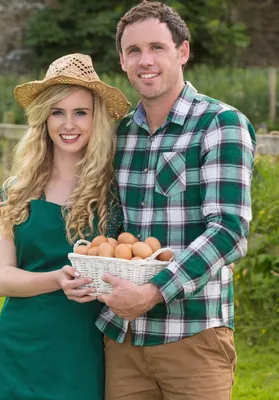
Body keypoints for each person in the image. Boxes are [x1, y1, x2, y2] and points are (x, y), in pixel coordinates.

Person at [58, 2, 256, 399]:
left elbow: (229, 231)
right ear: (122, 60)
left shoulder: (219, 124)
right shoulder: (120, 134)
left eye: (156, 48)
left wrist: (153, 292)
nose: (144, 61)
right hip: (123, 340)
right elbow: (99, 216)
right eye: (133, 51)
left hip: (193, 336)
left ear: (182, 52)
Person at [0, 53, 130, 400]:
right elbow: (0, 278)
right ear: (43, 118)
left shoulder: (114, 190)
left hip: (83, 344)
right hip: (19, 344)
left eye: (81, 112)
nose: (69, 124)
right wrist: (55, 279)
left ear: (96, 118)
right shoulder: (17, 190)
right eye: (58, 112)